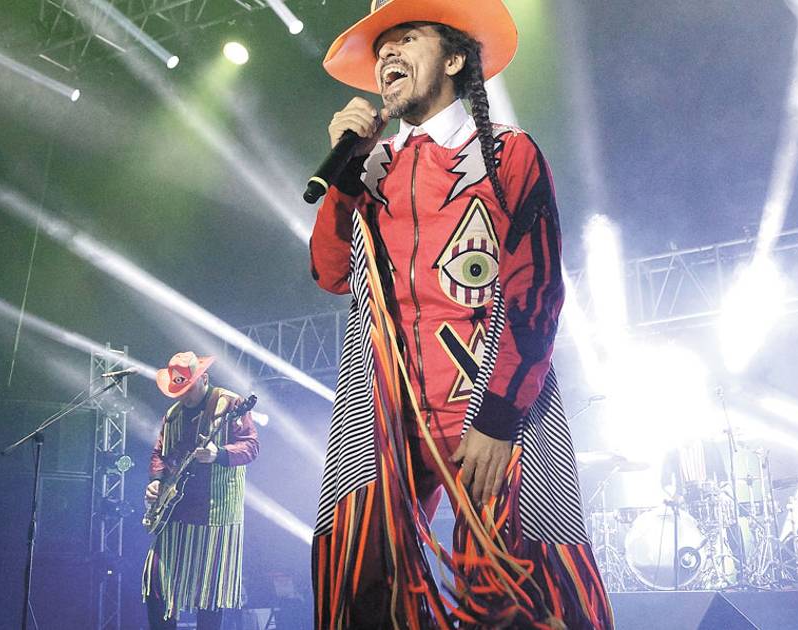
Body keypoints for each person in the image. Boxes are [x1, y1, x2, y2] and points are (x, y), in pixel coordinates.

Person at [308, 1, 613, 626]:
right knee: (363, 590)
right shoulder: (369, 169)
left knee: (519, 594)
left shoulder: (507, 154)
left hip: (490, 414)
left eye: (407, 38)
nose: (388, 54)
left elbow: (537, 293)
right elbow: (330, 273)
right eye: (381, 48)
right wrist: (344, 171)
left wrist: (499, 417)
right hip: (383, 421)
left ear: (452, 59)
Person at [142, 352, 259, 630]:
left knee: (209, 596)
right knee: (156, 585)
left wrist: (219, 453)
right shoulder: (173, 415)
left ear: (204, 379)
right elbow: (159, 453)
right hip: (175, 513)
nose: (184, 396)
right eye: (179, 390)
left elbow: (251, 446)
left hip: (215, 514)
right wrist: (156, 481)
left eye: (188, 388)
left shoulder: (230, 404)